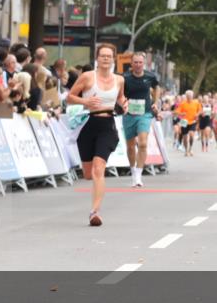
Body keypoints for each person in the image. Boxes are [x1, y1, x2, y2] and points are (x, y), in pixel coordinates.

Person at [65, 42, 126, 226]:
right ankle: (94, 206)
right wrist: (86, 102)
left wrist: (124, 105)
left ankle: (94, 212)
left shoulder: (119, 80)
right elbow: (69, 98)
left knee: (99, 169)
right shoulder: (87, 77)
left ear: (113, 59)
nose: (106, 59)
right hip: (88, 124)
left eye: (109, 56)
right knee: (88, 174)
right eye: (103, 56)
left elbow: (121, 97)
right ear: (97, 58)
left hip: (108, 125)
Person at [121, 52, 160, 188]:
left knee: (142, 143)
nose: (138, 65)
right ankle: (132, 171)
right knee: (130, 146)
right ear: (131, 64)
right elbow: (119, 93)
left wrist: (156, 101)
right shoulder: (125, 77)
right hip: (129, 114)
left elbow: (157, 87)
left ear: (144, 63)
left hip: (145, 113)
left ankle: (138, 174)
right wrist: (123, 103)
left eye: (140, 62)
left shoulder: (150, 76)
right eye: (135, 62)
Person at [175, 90, 202, 157]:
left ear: (192, 96)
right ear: (186, 96)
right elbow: (176, 112)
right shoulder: (183, 103)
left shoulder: (196, 103)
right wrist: (181, 113)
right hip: (184, 122)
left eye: (190, 96)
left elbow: (200, 110)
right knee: (185, 137)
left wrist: (197, 114)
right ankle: (186, 150)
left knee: (191, 135)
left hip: (192, 121)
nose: (189, 97)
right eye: (188, 96)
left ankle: (190, 149)